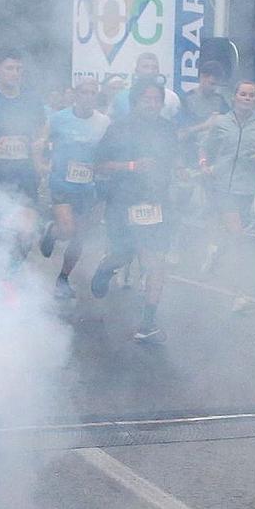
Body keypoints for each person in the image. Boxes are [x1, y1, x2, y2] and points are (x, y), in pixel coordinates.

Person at [91, 79, 178, 342]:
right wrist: (131, 166)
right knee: (123, 253)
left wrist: (182, 172)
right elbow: (99, 165)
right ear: (135, 101)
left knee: (156, 261)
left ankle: (148, 323)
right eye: (146, 99)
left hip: (156, 204)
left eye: (156, 100)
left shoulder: (167, 129)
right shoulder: (119, 128)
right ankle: (107, 268)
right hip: (123, 201)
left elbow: (173, 161)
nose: (152, 105)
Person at [196, 79, 255, 312]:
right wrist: (203, 165)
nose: (247, 98)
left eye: (251, 95)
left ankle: (215, 252)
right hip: (221, 186)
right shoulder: (221, 122)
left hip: (246, 188)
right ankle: (239, 294)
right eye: (243, 94)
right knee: (238, 237)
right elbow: (204, 148)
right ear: (235, 97)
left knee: (230, 235)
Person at [0, 50, 51, 262]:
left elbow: (43, 127)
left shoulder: (31, 100)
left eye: (18, 69)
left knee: (26, 231)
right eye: (9, 68)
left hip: (25, 177)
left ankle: (14, 275)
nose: (15, 73)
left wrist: (39, 149)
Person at [40, 77, 114, 299]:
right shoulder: (58, 119)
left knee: (80, 236)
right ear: (75, 94)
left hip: (88, 187)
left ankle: (63, 278)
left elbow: (110, 150)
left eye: (93, 93)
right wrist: (42, 165)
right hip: (62, 182)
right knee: (68, 229)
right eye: (84, 92)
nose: (89, 97)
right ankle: (53, 232)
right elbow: (41, 142)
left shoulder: (104, 122)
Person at [111, 52, 181, 119]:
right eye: (145, 67)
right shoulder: (121, 96)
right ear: (136, 70)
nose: (150, 71)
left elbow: (177, 126)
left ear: (158, 71)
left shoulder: (171, 97)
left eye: (154, 67)